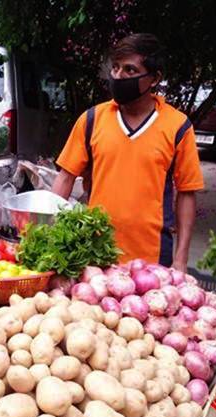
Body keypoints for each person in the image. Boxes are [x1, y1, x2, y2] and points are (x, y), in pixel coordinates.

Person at [52, 33, 204, 271]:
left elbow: (186, 193)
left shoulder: (178, 127)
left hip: (152, 259)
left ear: (154, 79)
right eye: (115, 68)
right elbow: (65, 177)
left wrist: (181, 259)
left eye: (130, 70)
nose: (119, 76)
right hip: (94, 255)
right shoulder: (92, 119)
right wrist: (50, 235)